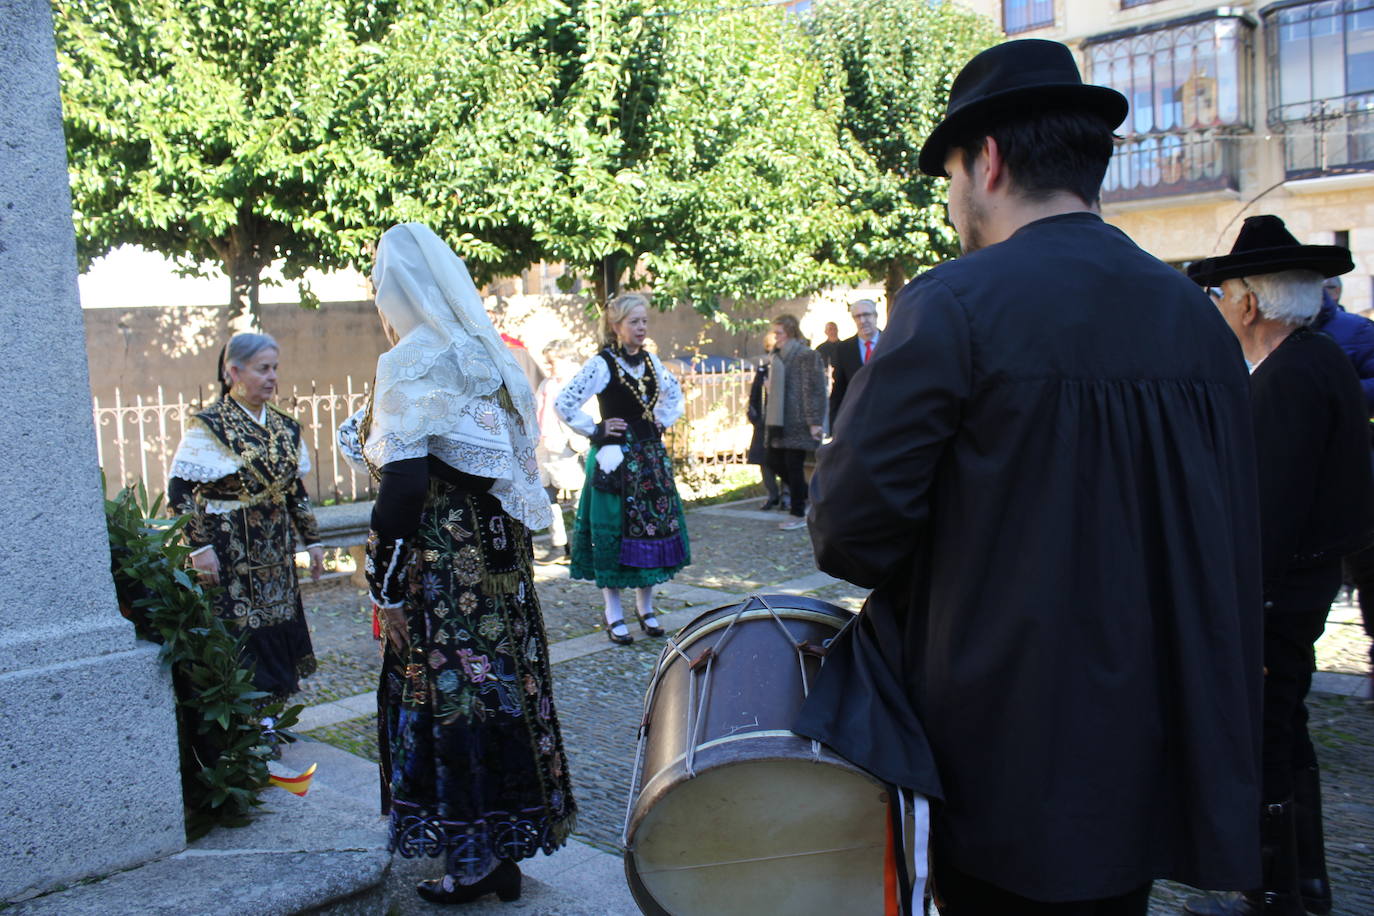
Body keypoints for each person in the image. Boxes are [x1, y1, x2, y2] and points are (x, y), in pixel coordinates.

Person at [795, 39, 1265, 914]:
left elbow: (849, 534)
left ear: (989, 161)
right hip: (1153, 742)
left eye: (950, 177)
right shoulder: (1195, 320)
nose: (950, 204)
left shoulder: (954, 304)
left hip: (1002, 749)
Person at [337, 223, 576, 905]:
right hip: (500, 565)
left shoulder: (412, 359)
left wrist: (384, 587)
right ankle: (501, 853)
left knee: (448, 699)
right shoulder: (484, 354)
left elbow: (406, 487)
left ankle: (471, 864)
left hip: (446, 572)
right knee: (503, 692)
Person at [1183, 216, 1374, 916]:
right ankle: (1300, 885)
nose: (1221, 306)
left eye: (1224, 292)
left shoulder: (1293, 376)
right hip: (1295, 592)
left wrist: (1246, 619)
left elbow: (1269, 515)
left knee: (1267, 743)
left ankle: (1276, 892)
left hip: (1279, 601)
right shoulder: (1312, 361)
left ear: (1248, 302)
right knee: (1283, 737)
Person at [168, 332, 324, 703]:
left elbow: (294, 492)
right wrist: (199, 547)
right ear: (233, 371)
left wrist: (313, 540)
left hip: (275, 552)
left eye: (275, 368)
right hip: (230, 553)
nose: (272, 377)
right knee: (242, 631)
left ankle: (275, 712)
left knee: (281, 623)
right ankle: (247, 721)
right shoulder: (210, 426)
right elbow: (179, 493)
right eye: (263, 369)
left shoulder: (286, 426)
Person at [555, 293, 691, 645]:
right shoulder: (602, 364)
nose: (642, 327)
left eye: (644, 320)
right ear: (616, 326)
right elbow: (564, 401)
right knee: (614, 534)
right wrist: (596, 429)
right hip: (615, 460)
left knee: (652, 531)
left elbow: (674, 395)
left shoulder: (652, 361)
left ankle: (646, 607)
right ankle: (613, 611)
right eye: (634, 321)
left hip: (649, 458)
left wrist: (660, 422)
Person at [766, 314, 825, 531]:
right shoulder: (778, 355)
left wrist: (814, 421)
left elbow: (815, 389)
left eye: (779, 332)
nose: (775, 337)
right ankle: (808, 495)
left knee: (793, 466)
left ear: (790, 332)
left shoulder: (806, 355)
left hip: (799, 420)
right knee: (773, 460)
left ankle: (798, 512)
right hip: (779, 420)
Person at [535, 340, 588, 564]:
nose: (547, 367)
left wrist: (576, 441)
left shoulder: (579, 382)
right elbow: (537, 409)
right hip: (545, 447)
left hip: (567, 448)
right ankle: (559, 545)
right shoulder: (546, 384)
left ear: (567, 360)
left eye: (552, 363)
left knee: (579, 496)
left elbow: (588, 414)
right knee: (547, 497)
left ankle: (587, 544)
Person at [748, 331, 788, 511]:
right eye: (770, 349)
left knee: (784, 458)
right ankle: (773, 495)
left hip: (783, 422)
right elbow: (754, 396)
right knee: (764, 460)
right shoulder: (763, 369)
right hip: (763, 424)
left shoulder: (788, 368)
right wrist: (754, 416)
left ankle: (786, 495)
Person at [827, 298, 881, 427]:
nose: (863, 321)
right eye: (858, 317)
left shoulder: (892, 342)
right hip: (856, 421)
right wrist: (835, 425)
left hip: (887, 419)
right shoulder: (844, 349)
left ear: (875, 316)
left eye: (866, 315)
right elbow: (838, 390)